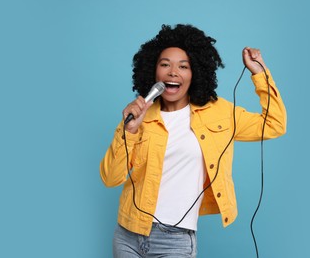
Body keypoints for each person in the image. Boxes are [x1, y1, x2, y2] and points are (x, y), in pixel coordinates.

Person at [100, 24, 286, 258]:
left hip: (176, 240)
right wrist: (129, 132)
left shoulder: (219, 112)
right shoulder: (138, 116)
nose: (173, 72)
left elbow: (274, 124)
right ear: (153, 72)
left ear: (195, 72)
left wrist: (259, 73)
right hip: (128, 234)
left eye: (183, 66)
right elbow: (110, 178)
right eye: (165, 64)